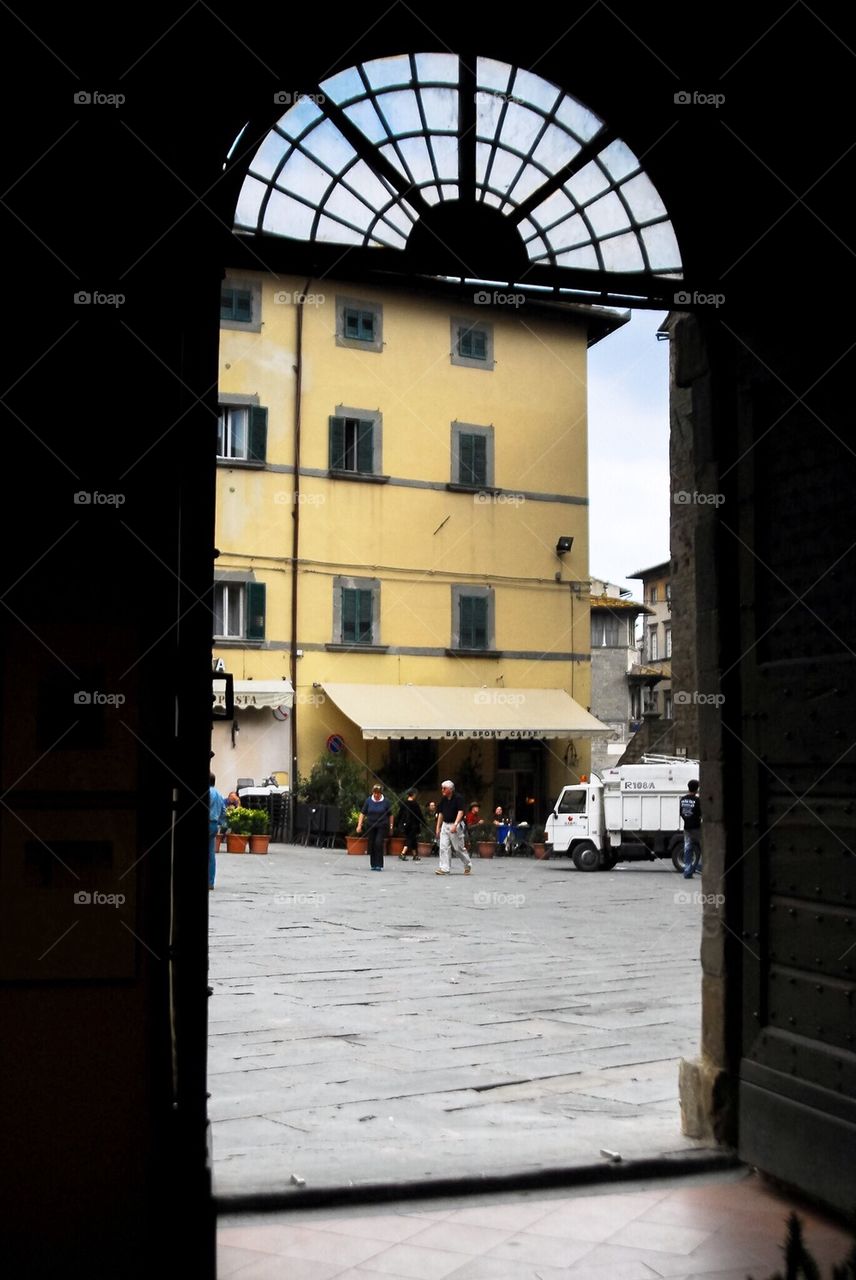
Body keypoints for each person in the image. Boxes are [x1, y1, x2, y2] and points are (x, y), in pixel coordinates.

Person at [435, 779, 472, 876]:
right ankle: (444, 868)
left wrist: (455, 824)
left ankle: (467, 864)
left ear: (450, 789)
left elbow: (461, 812)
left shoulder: (458, 798)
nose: (442, 790)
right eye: (442, 788)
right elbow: (441, 813)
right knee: (443, 847)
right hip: (445, 825)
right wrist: (438, 827)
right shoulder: (443, 799)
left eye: (444, 788)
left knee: (458, 848)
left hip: (455, 825)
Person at [357, 782, 393, 871]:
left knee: (378, 843)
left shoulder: (386, 802)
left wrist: (391, 827)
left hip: (382, 825)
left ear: (381, 793)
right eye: (375, 793)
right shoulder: (368, 801)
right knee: (372, 843)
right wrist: (359, 825)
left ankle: (379, 864)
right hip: (370, 825)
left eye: (378, 793)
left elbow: (390, 815)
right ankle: (373, 864)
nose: (376, 795)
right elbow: (362, 813)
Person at [679, 778, 702, 879]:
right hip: (697, 828)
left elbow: (681, 813)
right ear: (697, 789)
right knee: (704, 848)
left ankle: (687, 871)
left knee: (688, 849)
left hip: (687, 827)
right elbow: (701, 814)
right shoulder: (697, 800)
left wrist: (687, 819)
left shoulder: (683, 799)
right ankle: (699, 867)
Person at [208, 772, 227, 890]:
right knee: (211, 855)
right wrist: (219, 822)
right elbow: (224, 811)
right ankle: (210, 882)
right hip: (213, 825)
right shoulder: (219, 794)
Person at [397, 788, 423, 862]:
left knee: (413, 839)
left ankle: (415, 855)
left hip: (406, 824)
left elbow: (400, 814)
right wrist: (423, 823)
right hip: (413, 825)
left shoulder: (404, 803)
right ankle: (403, 853)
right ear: (414, 794)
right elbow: (419, 815)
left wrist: (399, 823)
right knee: (409, 838)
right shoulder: (415, 804)